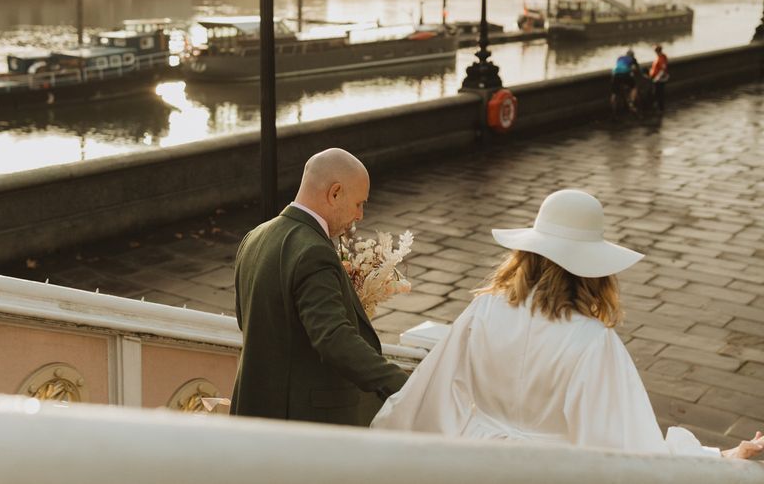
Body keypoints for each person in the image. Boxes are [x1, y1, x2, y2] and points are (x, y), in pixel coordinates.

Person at [372, 189, 763, 459]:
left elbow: (428, 397)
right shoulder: (592, 342)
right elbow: (627, 448)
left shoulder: (484, 311)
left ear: (529, 252)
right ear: (594, 269)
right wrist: (721, 457)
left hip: (478, 460)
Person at [231, 147, 408, 426]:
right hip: (303, 423)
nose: (360, 215)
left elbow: (247, 320)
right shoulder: (313, 251)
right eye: (359, 203)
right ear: (335, 193)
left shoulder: (254, 237)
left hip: (254, 413)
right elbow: (333, 338)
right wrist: (403, 384)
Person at [611, 48, 639, 113]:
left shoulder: (620, 58)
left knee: (614, 93)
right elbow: (635, 68)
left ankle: (613, 109)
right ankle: (631, 103)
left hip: (615, 74)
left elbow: (619, 66)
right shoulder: (632, 59)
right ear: (633, 55)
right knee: (634, 88)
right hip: (625, 74)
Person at [649, 44, 669, 112]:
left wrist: (657, 78)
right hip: (657, 78)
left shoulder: (661, 58)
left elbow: (663, 69)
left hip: (659, 79)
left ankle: (661, 109)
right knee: (658, 93)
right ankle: (659, 108)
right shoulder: (659, 57)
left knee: (659, 93)